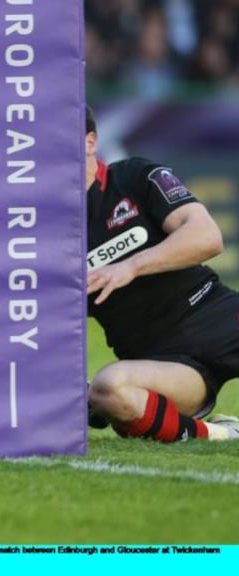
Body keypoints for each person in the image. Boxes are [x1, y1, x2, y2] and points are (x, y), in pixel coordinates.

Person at [84, 105, 239, 442]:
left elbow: (207, 237)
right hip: (164, 364)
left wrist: (129, 267)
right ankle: (221, 434)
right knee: (110, 390)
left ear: (90, 142)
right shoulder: (44, 230)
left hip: (216, 315)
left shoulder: (135, 176)